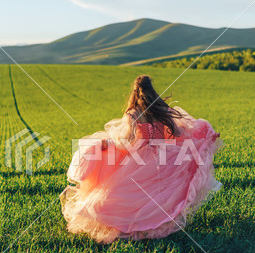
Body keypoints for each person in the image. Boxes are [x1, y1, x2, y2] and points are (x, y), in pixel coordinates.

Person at [60, 75, 223, 243]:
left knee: (131, 195)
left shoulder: (133, 114)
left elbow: (125, 140)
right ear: (152, 90)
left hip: (139, 158)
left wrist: (106, 144)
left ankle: (135, 224)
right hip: (163, 156)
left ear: (134, 92)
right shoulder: (162, 110)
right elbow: (178, 133)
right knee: (158, 192)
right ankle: (154, 223)